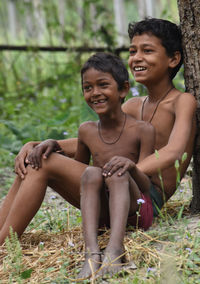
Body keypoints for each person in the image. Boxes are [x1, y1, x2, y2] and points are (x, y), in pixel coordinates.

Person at [0, 18, 196, 255]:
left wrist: (128, 170)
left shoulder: (182, 101)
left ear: (173, 59)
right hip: (112, 187)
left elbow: (173, 151)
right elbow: (100, 138)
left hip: (141, 198)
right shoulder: (133, 105)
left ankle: (3, 244)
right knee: (37, 156)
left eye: (148, 50)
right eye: (133, 51)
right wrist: (38, 144)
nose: (136, 58)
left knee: (44, 162)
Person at [74, 52, 155, 278]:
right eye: (87, 87)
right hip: (103, 211)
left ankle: (115, 249)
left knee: (118, 173)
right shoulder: (86, 131)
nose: (95, 93)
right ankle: (92, 253)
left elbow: (146, 188)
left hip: (136, 210)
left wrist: (131, 166)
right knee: (90, 171)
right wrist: (52, 144)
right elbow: (78, 175)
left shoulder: (142, 130)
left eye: (103, 85)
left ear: (123, 89)